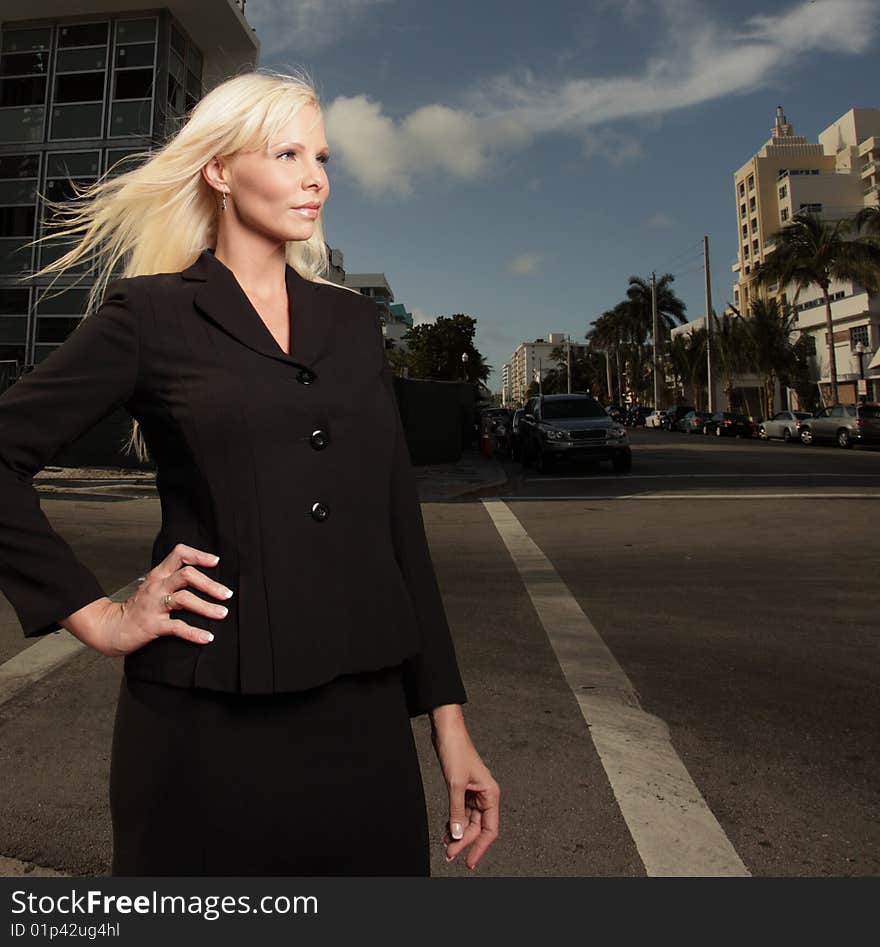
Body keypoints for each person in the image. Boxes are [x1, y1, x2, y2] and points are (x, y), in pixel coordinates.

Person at [0, 67, 499, 876]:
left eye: (323, 156)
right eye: (288, 152)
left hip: (363, 733)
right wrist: (97, 615)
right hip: (202, 735)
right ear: (221, 171)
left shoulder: (354, 323)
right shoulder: (149, 315)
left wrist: (449, 723)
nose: (315, 178)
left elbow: (397, 526)